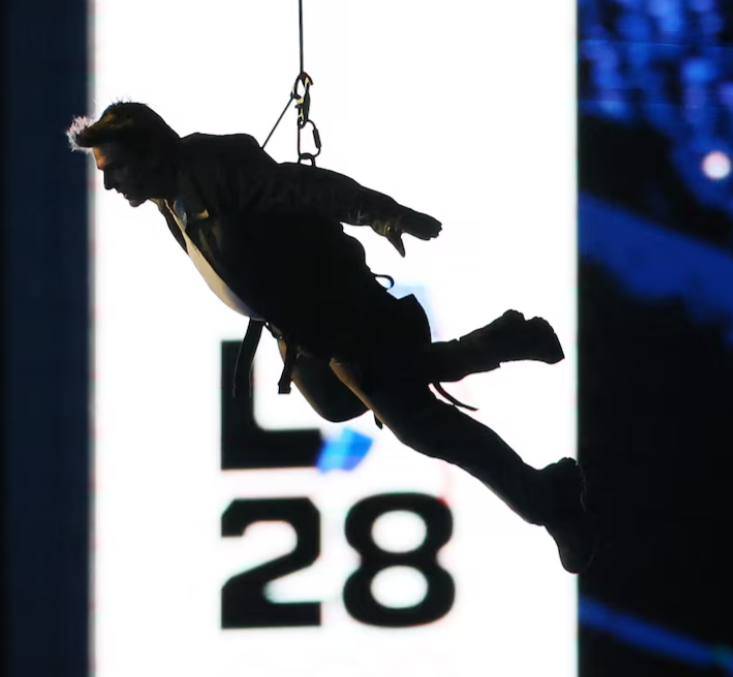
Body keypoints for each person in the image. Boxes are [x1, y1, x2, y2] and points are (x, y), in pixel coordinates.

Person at [67, 101, 597, 573]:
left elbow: (303, 187)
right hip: (302, 333)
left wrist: (379, 212)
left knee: (422, 427)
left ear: (148, 151)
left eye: (113, 169)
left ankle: (549, 497)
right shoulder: (168, 198)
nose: (110, 184)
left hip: (339, 316)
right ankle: (491, 346)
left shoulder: (213, 168)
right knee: (341, 402)